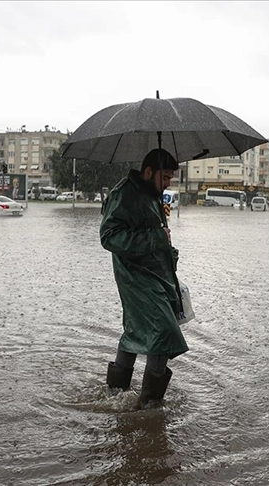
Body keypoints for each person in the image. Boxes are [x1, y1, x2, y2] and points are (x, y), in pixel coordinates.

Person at [99, 148, 188, 409]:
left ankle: (115, 394)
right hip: (136, 277)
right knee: (163, 332)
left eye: (171, 178)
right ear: (148, 172)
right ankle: (150, 405)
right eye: (165, 177)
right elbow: (109, 237)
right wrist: (157, 238)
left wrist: (168, 249)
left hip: (156, 275)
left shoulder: (152, 194)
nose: (168, 183)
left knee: (136, 330)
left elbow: (153, 232)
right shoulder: (125, 193)